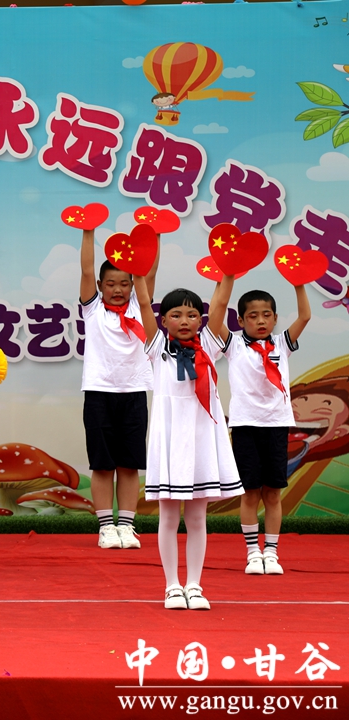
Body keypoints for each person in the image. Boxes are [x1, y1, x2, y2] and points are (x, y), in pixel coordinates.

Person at [134, 280, 243, 611]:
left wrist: (228, 274)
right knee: (168, 518)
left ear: (201, 320)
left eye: (192, 315)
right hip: (170, 438)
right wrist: (138, 276)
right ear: (163, 319)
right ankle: (172, 586)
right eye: (176, 315)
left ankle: (194, 585)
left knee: (197, 518)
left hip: (200, 437)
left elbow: (220, 304)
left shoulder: (208, 345)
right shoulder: (157, 347)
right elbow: (143, 304)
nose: (184, 321)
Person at [207, 276, 311, 576]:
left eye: (267, 315)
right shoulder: (234, 345)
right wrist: (222, 281)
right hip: (245, 427)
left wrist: (299, 284)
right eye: (253, 316)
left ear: (275, 318)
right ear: (240, 320)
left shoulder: (282, 343)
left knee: (273, 493)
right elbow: (214, 317)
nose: (261, 321)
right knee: (250, 492)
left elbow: (305, 316)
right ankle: (253, 552)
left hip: (277, 426)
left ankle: (272, 553)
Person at [78, 228, 158, 549]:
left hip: (134, 395)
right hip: (98, 395)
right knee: (102, 465)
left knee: (129, 464)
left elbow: (150, 271)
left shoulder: (140, 307)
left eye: (125, 283)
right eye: (110, 283)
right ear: (100, 286)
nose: (118, 289)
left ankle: (126, 525)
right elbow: (86, 269)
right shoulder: (93, 309)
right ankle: (105, 528)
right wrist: (88, 230)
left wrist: (156, 237)